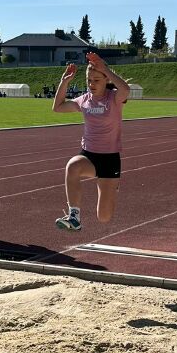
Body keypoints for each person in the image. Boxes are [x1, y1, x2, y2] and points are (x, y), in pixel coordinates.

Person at [52, 51, 130, 230]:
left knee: (104, 217)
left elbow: (125, 90)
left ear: (106, 80)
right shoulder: (84, 100)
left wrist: (106, 69)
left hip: (109, 159)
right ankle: (74, 217)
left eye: (96, 80)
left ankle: (112, 187)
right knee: (72, 166)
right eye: (89, 80)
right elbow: (58, 107)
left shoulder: (114, 98)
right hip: (89, 155)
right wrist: (64, 82)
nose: (92, 84)